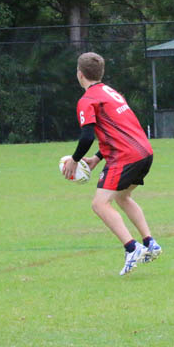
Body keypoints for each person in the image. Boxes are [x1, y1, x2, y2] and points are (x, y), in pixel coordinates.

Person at [62, 52, 162, 274]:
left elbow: (87, 136)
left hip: (125, 156)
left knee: (99, 204)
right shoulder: (111, 92)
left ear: (79, 74)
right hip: (144, 152)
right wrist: (96, 158)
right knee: (122, 197)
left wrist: (74, 160)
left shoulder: (87, 100)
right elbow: (118, 130)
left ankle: (132, 247)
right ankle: (150, 243)